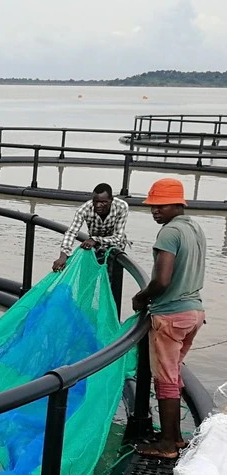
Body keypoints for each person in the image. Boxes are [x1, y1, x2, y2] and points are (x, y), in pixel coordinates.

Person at [131, 178, 206, 458]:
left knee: (164, 379)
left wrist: (142, 298)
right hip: (194, 312)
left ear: (178, 204)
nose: (155, 211)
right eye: (152, 206)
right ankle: (174, 439)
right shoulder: (194, 228)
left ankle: (166, 446)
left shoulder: (169, 233)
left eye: (161, 205)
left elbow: (161, 281)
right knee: (173, 376)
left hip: (171, 315)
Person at [52, 183, 129, 272]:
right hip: (95, 247)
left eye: (103, 202)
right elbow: (71, 232)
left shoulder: (121, 207)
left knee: (112, 276)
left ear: (111, 200)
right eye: (96, 202)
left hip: (115, 247)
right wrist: (63, 255)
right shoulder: (84, 209)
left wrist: (95, 239)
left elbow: (118, 237)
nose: (98, 205)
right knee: (90, 273)